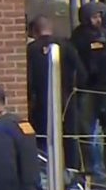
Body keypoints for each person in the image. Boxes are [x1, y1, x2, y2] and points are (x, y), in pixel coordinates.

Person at [70, 1, 106, 185]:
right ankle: (90, 172)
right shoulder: (78, 38)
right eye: (94, 16)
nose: (97, 20)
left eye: (100, 16)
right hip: (87, 91)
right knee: (85, 132)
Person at [26, 15, 86, 169]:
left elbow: (29, 78)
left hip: (40, 101)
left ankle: (46, 169)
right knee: (69, 136)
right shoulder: (66, 45)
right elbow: (81, 72)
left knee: (43, 137)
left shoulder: (31, 50)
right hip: (66, 100)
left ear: (34, 31)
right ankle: (72, 170)